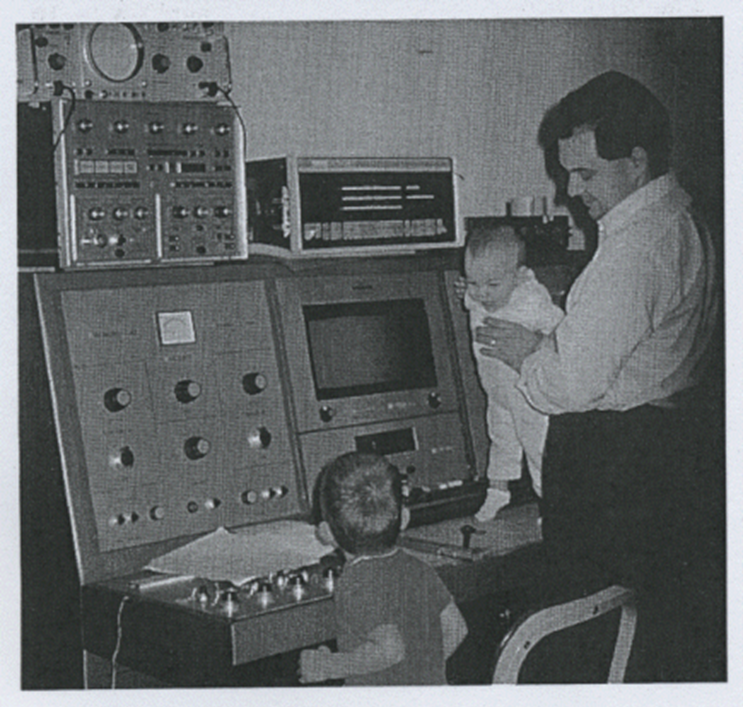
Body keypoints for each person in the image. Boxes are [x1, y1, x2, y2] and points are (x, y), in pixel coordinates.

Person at [474, 71, 721, 681]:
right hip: (666, 463)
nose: (569, 192)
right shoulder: (685, 223)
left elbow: (568, 386)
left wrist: (532, 351)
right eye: (565, 174)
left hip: (617, 472)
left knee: (576, 650)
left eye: (585, 174)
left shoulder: (635, 250)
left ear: (636, 162)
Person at [298, 451, 468, 685]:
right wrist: (418, 672)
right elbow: (456, 629)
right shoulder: (419, 567)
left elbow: (389, 650)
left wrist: (328, 666)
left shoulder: (355, 581)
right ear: (405, 518)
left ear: (326, 533)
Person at [462, 223, 563, 520]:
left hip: (529, 393)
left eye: (492, 285)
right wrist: (468, 290)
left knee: (537, 448)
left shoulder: (531, 300)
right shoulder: (480, 294)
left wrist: (541, 343)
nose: (482, 294)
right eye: (472, 283)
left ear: (519, 276)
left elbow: (563, 330)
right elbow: (473, 296)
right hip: (497, 391)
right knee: (501, 439)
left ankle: (550, 504)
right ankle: (497, 491)